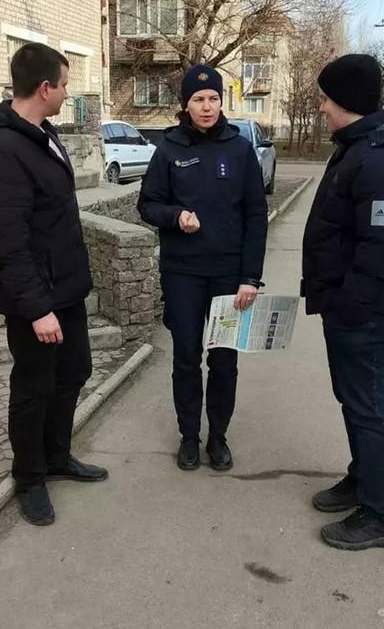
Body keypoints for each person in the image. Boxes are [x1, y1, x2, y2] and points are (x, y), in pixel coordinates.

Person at [0, 43, 108, 527]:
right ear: (45, 87)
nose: (69, 93)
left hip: (64, 288)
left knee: (73, 374)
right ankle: (29, 478)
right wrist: (37, 309)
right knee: (33, 388)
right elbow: (8, 242)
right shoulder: (0, 149)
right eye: (65, 84)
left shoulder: (42, 133)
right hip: (36, 301)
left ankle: (56, 456)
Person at [300, 54, 384, 550]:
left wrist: (349, 305)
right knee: (355, 402)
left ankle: (383, 515)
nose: (320, 106)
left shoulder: (380, 158)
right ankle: (364, 480)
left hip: (366, 311)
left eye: (326, 98)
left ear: (347, 103)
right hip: (350, 306)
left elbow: (383, 248)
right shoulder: (359, 146)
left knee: (370, 407)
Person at [138, 64, 268, 471]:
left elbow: (255, 215)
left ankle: (219, 438)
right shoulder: (170, 149)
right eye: (198, 99)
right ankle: (189, 437)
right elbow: (147, 204)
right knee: (186, 358)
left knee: (224, 361)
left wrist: (250, 277)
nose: (207, 106)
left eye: (213, 98)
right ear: (186, 105)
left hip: (229, 277)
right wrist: (176, 216)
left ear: (221, 101)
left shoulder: (239, 148)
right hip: (183, 275)